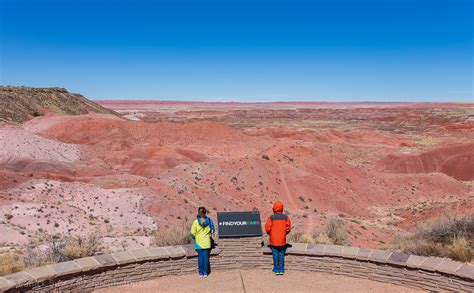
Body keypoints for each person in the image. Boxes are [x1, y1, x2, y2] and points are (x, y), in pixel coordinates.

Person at [265, 201, 291, 275]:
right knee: (281, 254)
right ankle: (281, 269)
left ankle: (276, 269)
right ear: (282, 208)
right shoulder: (285, 217)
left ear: (274, 208)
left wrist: (270, 234)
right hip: (282, 240)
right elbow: (288, 228)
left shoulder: (271, 218)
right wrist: (284, 234)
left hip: (273, 240)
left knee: (275, 254)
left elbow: (268, 228)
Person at [190, 206, 215, 278]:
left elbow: (192, 233)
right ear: (205, 212)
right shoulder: (209, 221)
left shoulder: (195, 222)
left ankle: (201, 272)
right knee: (206, 257)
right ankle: (205, 272)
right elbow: (212, 231)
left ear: (198, 213)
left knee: (200, 258)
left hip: (199, 242)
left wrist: (195, 237)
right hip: (207, 242)